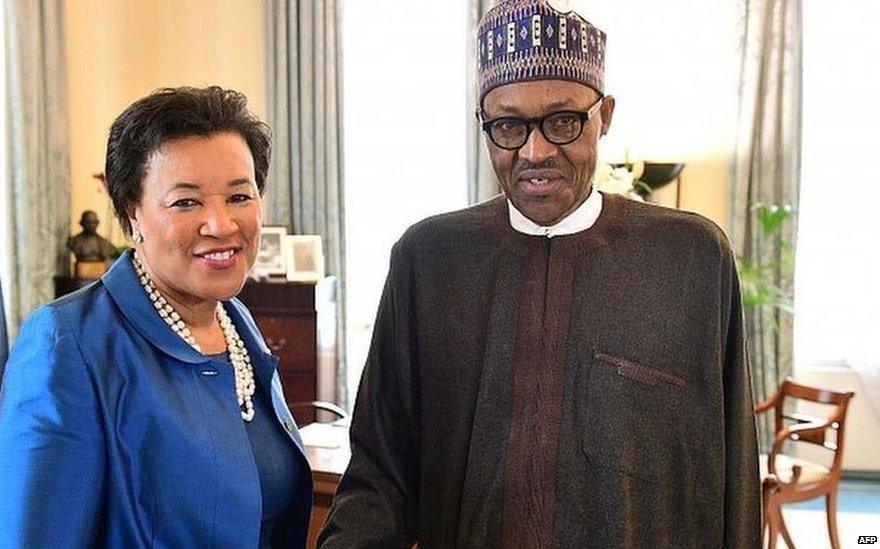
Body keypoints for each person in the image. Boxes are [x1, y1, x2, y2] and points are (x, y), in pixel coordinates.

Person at [318, 1, 760, 547]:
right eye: (508, 125)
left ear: (606, 114)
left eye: (563, 121)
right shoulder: (429, 259)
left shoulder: (690, 258)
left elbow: (735, 474)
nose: (536, 151)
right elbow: (380, 470)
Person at [0, 86, 312, 548]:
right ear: (132, 213)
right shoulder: (68, 343)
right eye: (186, 202)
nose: (221, 224)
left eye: (239, 196)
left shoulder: (236, 321)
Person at [67, 210, 116, 278]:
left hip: (99, 275)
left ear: (97, 223)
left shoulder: (104, 242)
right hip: (81, 274)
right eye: (88, 222)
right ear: (81, 223)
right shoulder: (74, 241)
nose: (91, 225)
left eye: (93, 222)